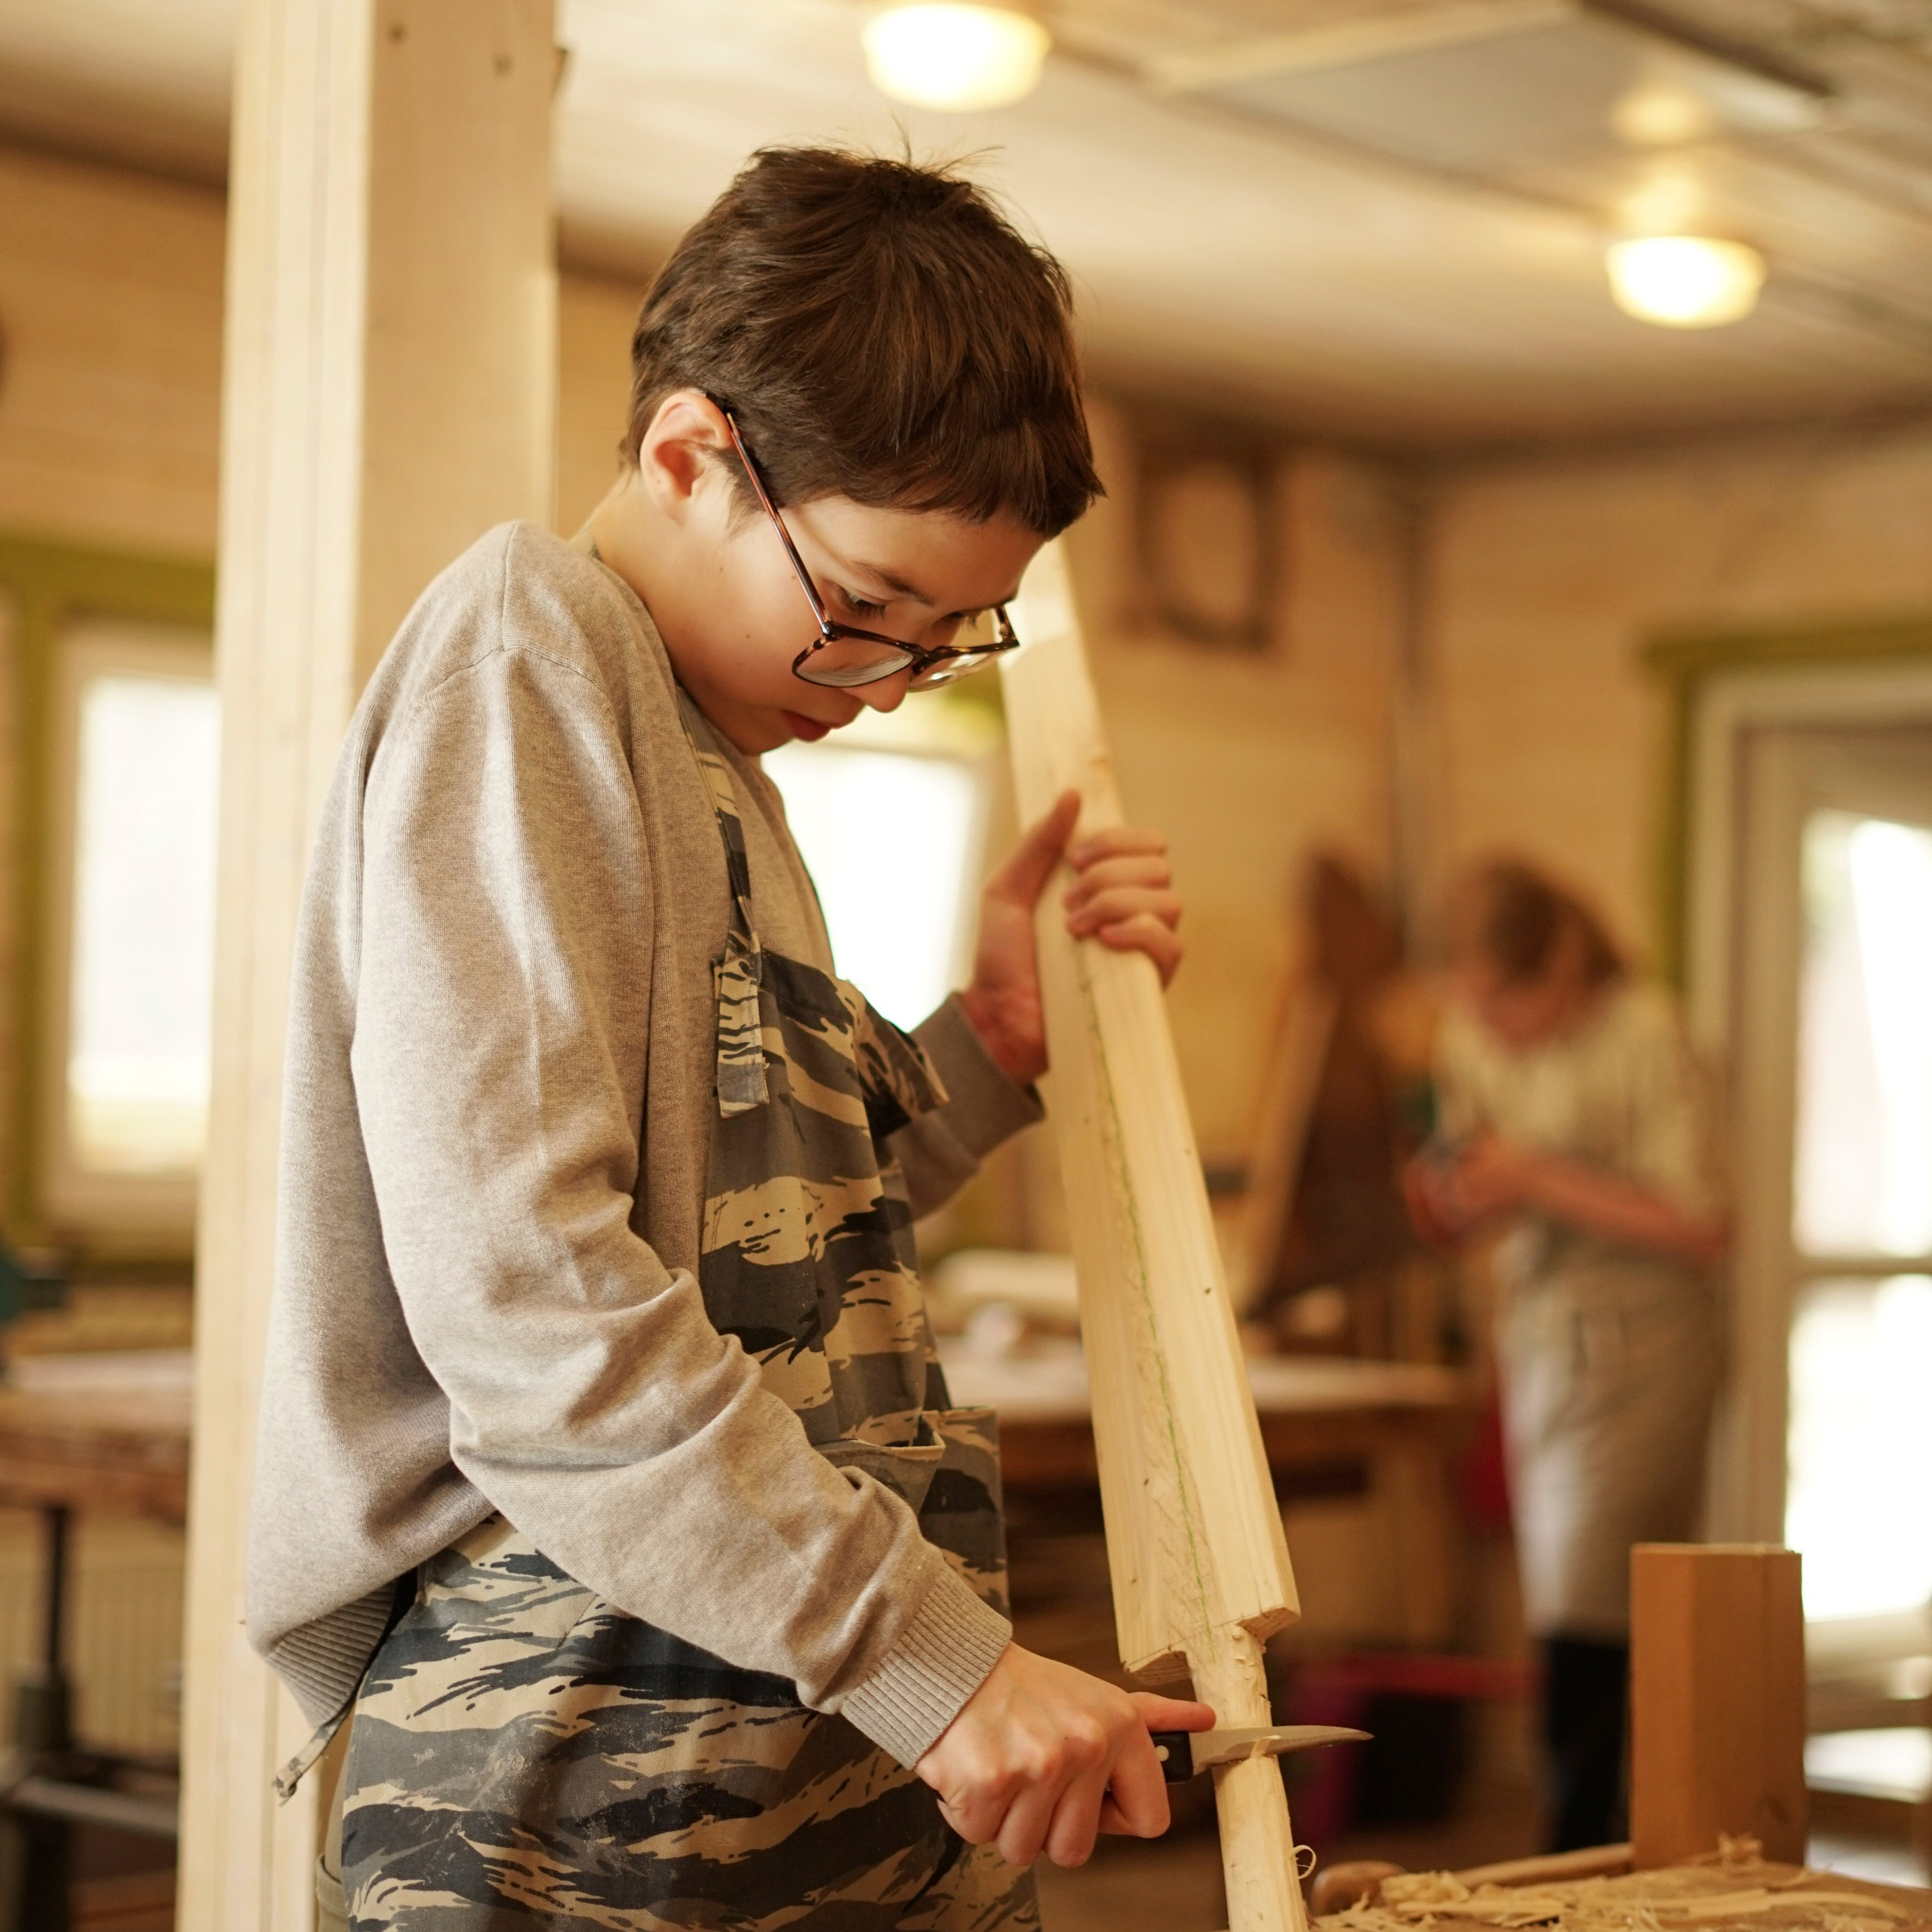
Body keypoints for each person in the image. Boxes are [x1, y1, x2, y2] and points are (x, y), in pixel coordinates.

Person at [246, 147, 1214, 1931]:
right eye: (865, 607)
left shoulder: (723, 753)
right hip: (570, 1746)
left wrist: (991, 1042)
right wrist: (938, 1657)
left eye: (946, 641)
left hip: (756, 1705)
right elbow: (535, 1303)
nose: (889, 680)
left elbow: (755, 1232)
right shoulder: (528, 658)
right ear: (692, 453)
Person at [1406, 859, 1727, 1853]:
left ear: (1565, 963)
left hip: (1649, 1347)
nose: (1488, 1028)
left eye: (1506, 1002)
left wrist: (1534, 1176)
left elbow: (1701, 1219)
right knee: (1563, 1594)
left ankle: (1588, 1844)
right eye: (1470, 1005)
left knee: (1599, 1600)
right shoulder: (1469, 1038)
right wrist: (1454, 1198)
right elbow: (1481, 1185)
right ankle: (1584, 1837)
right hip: (1542, 1339)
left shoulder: (1648, 1035)